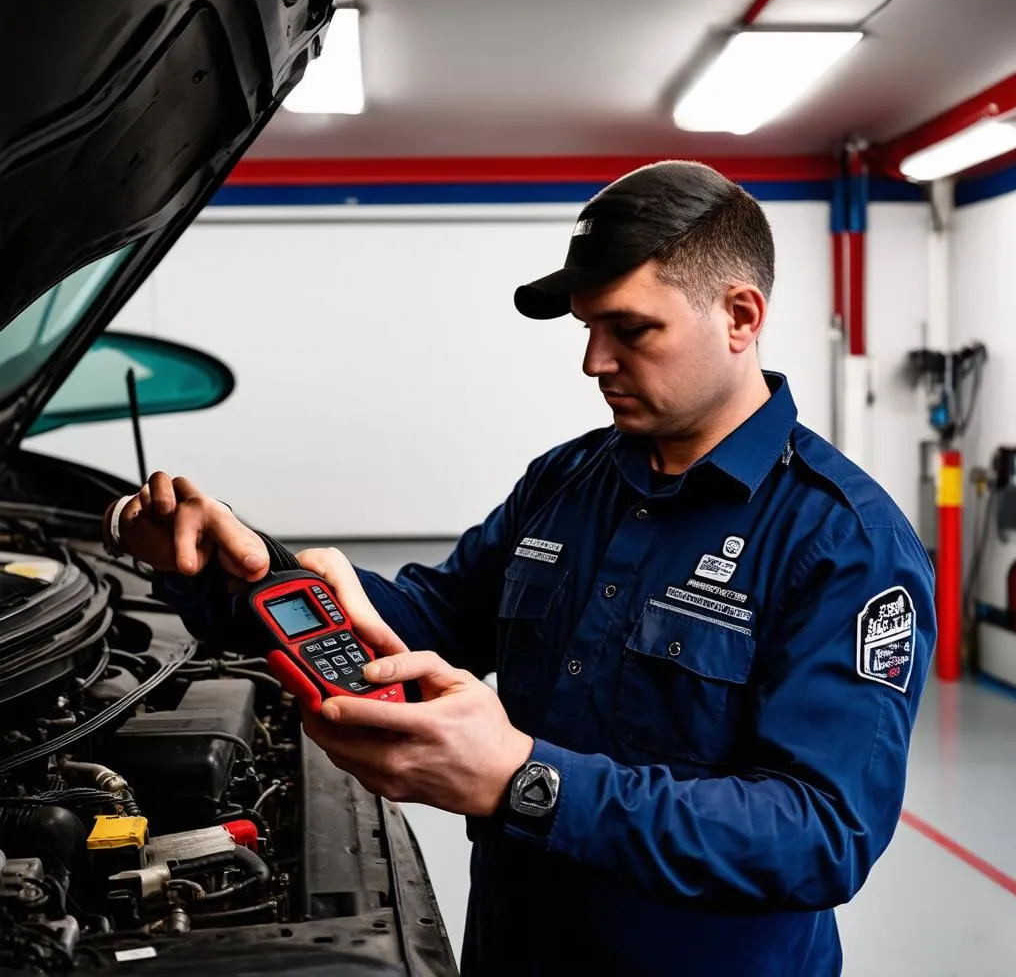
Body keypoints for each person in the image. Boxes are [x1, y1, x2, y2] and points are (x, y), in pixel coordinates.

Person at [102, 160, 936, 977]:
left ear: (741, 316)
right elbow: (422, 623)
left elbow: (821, 833)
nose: (593, 363)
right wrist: (228, 561)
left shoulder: (844, 541)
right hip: (516, 945)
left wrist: (526, 782)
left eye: (631, 329)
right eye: (586, 330)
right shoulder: (565, 481)